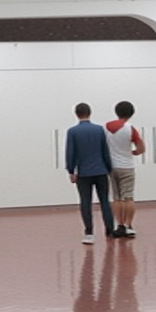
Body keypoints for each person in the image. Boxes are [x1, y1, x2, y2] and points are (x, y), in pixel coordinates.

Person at [63, 101, 116, 241]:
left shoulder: (72, 131)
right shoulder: (99, 130)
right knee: (105, 201)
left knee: (85, 202)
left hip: (84, 173)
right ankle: (110, 230)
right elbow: (105, 151)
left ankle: (89, 233)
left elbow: (70, 153)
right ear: (90, 113)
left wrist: (71, 170)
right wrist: (109, 168)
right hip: (101, 171)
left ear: (76, 114)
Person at [102, 100, 146, 239]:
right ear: (131, 113)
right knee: (128, 197)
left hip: (111, 166)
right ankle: (128, 225)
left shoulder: (106, 127)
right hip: (126, 166)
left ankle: (119, 224)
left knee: (116, 197)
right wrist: (133, 152)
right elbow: (141, 148)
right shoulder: (130, 128)